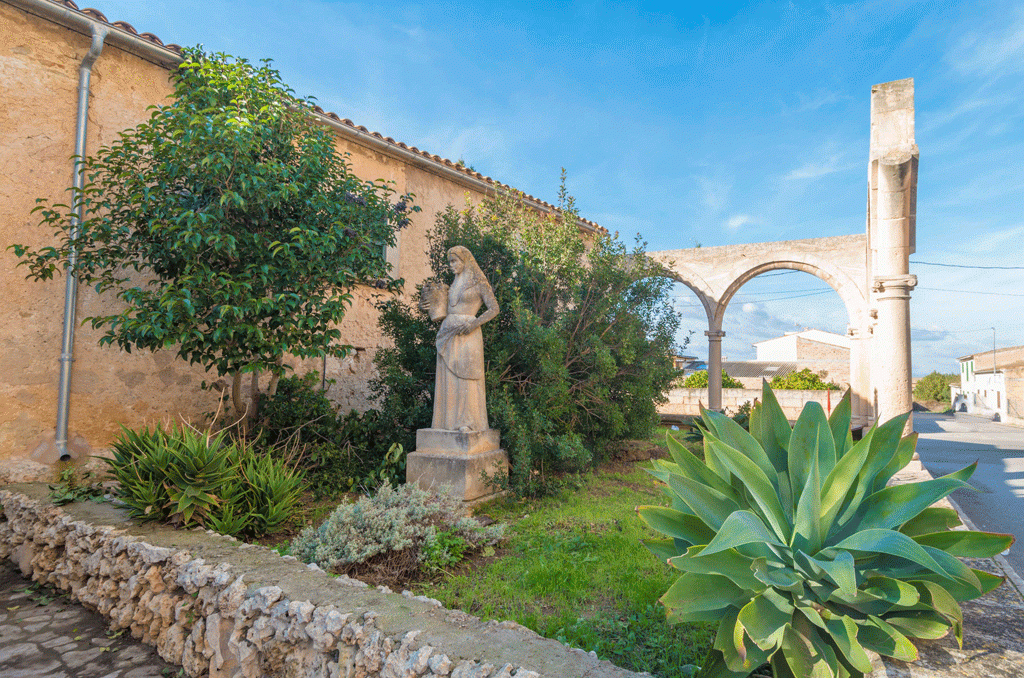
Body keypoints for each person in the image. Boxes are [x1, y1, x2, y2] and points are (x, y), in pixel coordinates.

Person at [422, 246, 499, 432]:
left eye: (454, 261)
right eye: (450, 262)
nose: (451, 265)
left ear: (465, 261)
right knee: (449, 378)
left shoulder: (479, 282)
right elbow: (442, 310)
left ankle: (467, 422)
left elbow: (494, 309)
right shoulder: (453, 284)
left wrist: (474, 323)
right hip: (448, 333)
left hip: (468, 334)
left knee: (466, 378)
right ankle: (446, 422)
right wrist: (427, 305)